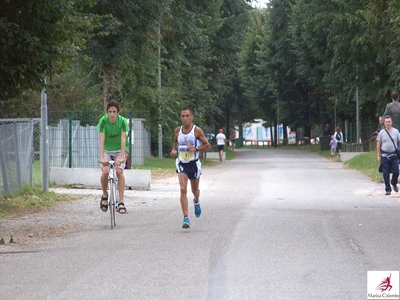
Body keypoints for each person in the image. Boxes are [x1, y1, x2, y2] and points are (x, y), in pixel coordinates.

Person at [170, 107, 211, 228]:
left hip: (193, 164)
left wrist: (196, 148)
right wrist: (173, 150)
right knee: (183, 189)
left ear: (192, 117)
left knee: (194, 191)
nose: (185, 118)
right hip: (182, 163)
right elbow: (175, 141)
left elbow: (207, 145)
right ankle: (186, 218)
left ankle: (196, 200)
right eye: (183, 116)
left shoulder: (197, 131)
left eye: (187, 116)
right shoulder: (178, 130)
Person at [98, 100, 129, 214]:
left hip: (119, 149)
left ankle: (121, 202)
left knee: (119, 172)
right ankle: (105, 196)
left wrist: (121, 156)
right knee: (105, 172)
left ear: (118, 112)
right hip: (106, 149)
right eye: (109, 111)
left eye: (114, 111)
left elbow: (123, 139)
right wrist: (102, 157)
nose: (111, 114)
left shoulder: (122, 122)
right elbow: (101, 139)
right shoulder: (103, 121)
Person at [376, 115, 400, 195]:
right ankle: (388, 189)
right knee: (385, 173)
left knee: (396, 171)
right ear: (384, 123)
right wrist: (379, 155)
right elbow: (378, 144)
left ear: (392, 122)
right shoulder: (382, 133)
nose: (388, 123)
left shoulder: (396, 132)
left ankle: (394, 182)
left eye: (389, 121)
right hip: (385, 156)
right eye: (387, 122)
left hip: (394, 155)